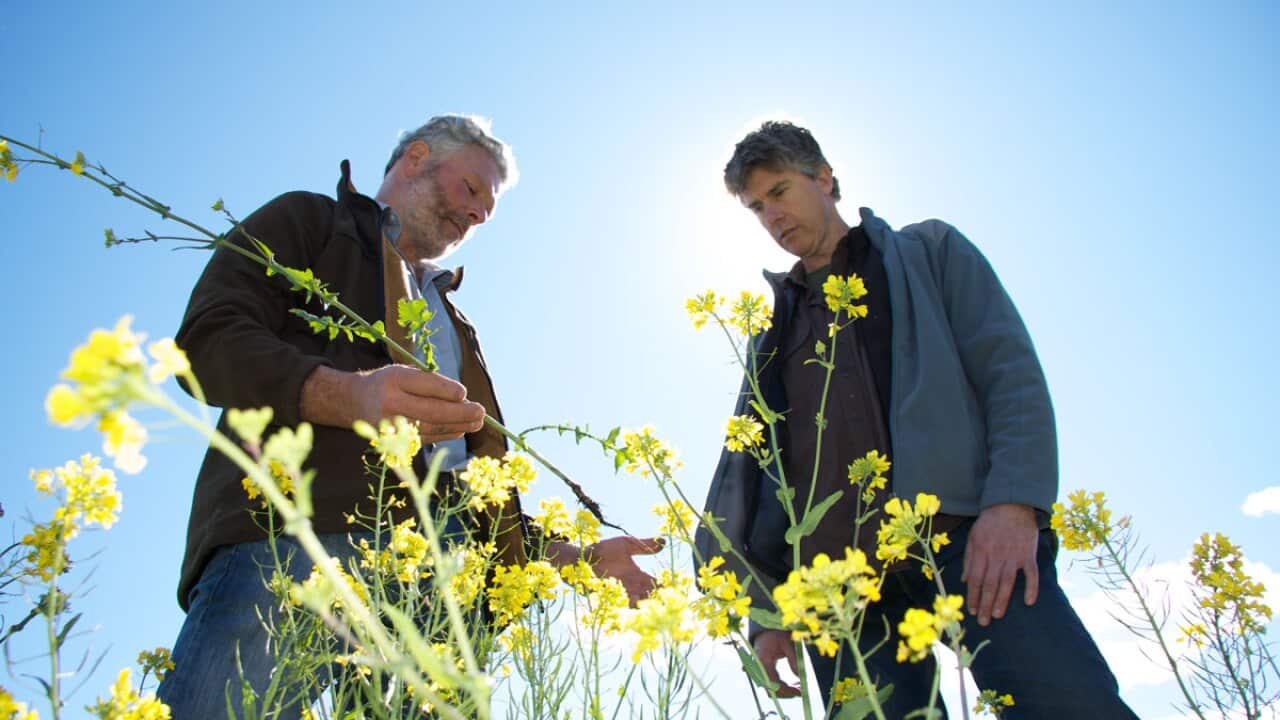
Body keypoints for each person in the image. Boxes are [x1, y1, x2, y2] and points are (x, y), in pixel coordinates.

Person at [157, 115, 659, 719]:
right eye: (472, 191)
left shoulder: (457, 325)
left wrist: (575, 558)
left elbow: (467, 489)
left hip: (443, 598)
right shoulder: (311, 223)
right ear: (416, 157)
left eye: (485, 214)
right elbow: (207, 343)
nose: (475, 217)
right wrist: (350, 397)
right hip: (297, 540)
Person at [695, 121, 1137, 718]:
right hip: (839, 593)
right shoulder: (770, 334)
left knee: (1067, 704)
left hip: (962, 542)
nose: (772, 216)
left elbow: (1009, 374)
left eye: (779, 192)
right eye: (755, 208)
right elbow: (755, 479)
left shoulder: (927, 253)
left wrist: (1013, 504)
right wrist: (767, 611)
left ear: (824, 179)